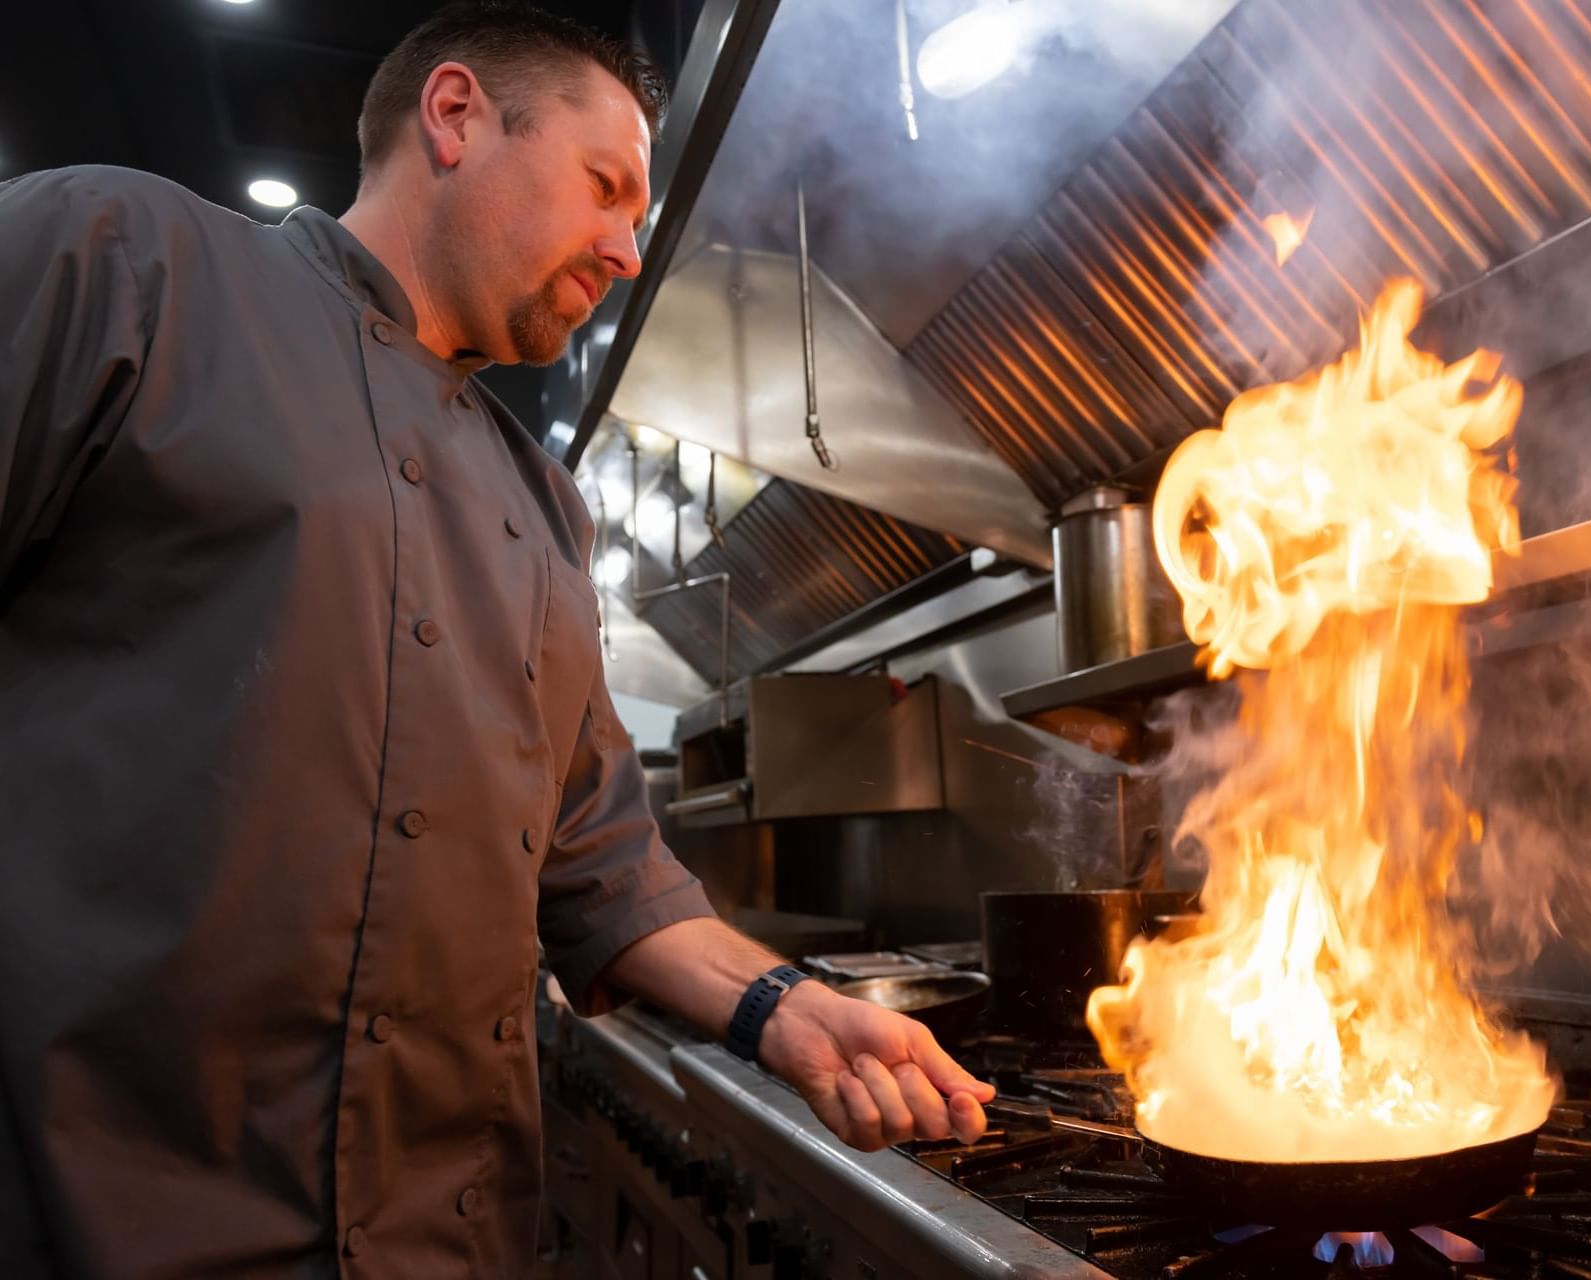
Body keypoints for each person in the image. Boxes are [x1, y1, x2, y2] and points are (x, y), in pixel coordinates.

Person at [0, 4, 993, 1276]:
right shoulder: (128, 265)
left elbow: (603, 872)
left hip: (447, 1242)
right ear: (457, 116)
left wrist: (785, 1008)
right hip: (105, 1226)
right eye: (605, 188)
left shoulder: (544, 509)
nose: (629, 251)